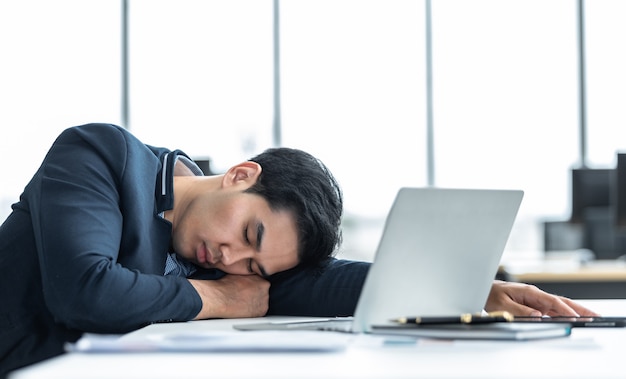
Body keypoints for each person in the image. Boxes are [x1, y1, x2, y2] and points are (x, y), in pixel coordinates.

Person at [0, 123, 596, 376]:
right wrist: (213, 299)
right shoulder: (100, 155)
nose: (229, 259)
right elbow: (87, 292)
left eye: (253, 265)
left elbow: (311, 283)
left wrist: (468, 289)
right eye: (249, 235)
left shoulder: (227, 260)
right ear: (239, 175)